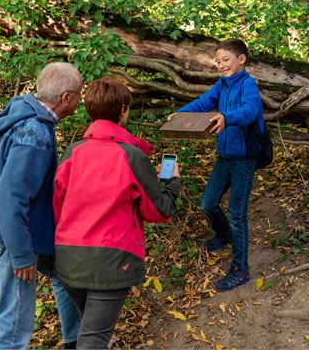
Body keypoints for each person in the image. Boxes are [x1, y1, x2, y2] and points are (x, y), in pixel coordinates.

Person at [53, 77, 181, 349]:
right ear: (123, 109)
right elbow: (159, 209)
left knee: (91, 329)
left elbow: (57, 207)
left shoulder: (73, 152)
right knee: (94, 338)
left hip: (69, 258)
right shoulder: (130, 156)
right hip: (111, 261)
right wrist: (173, 182)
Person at [0, 62, 82, 349]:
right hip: (12, 235)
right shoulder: (34, 134)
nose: (80, 102)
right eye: (79, 95)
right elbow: (11, 197)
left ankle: (76, 340)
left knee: (62, 274)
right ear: (66, 98)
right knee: (13, 324)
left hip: (21, 227)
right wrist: (21, 255)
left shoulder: (27, 115)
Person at [169, 38, 265, 291]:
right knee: (208, 203)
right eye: (218, 61)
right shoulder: (221, 85)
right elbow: (203, 103)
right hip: (224, 157)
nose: (221, 65)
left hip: (244, 159)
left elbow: (250, 111)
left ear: (241, 60)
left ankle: (240, 270)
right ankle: (224, 236)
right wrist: (182, 113)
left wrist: (226, 117)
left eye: (226, 60)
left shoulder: (248, 84)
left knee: (237, 215)